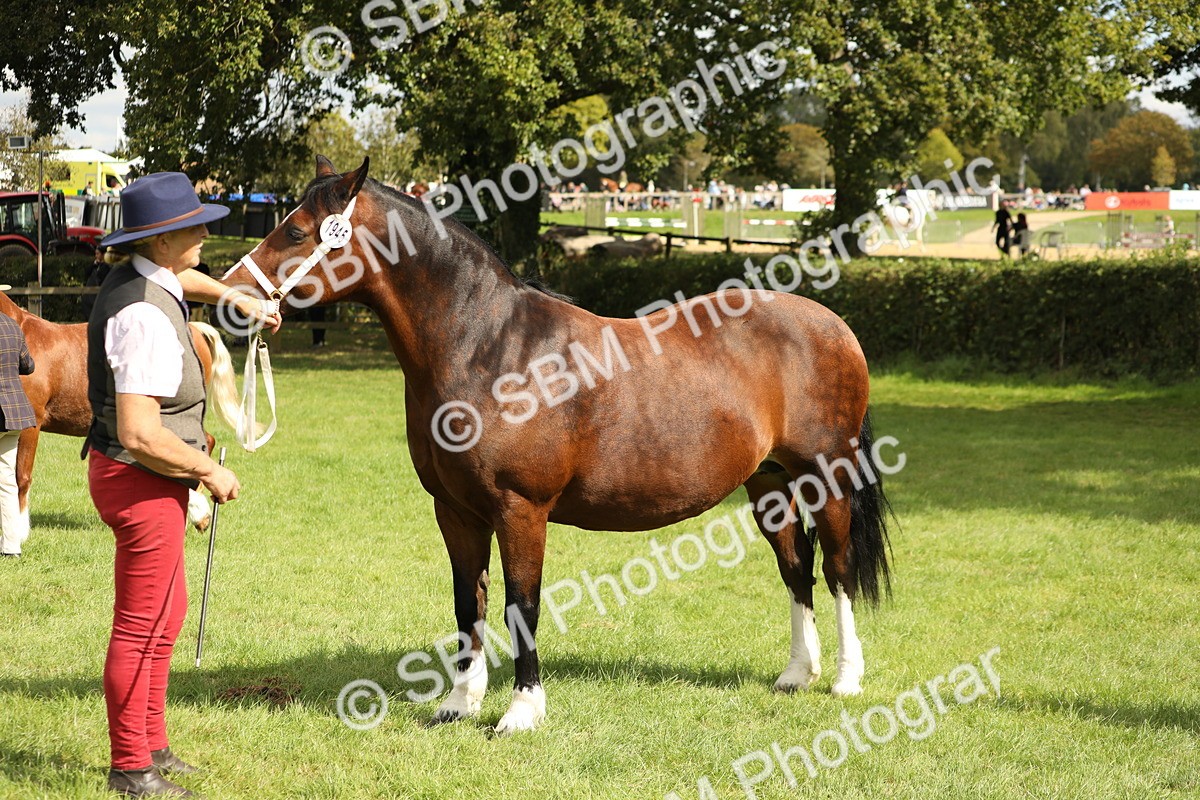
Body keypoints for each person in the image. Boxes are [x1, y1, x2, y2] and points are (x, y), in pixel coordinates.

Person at [86, 172, 276, 798]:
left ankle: (152, 745)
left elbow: (184, 280)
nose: (204, 232)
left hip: (147, 477)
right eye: (192, 226)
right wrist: (209, 470)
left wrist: (236, 298)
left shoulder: (150, 278)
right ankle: (130, 768)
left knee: (167, 615)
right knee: (141, 624)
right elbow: (141, 432)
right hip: (140, 476)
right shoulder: (143, 314)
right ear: (162, 240)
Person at [0, 298, 35, 558]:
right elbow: (29, 366)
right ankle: (12, 546)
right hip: (14, 414)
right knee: (7, 481)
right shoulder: (13, 327)